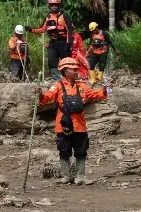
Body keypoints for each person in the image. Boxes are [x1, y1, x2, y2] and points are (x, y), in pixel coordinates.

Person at [36, 57, 110, 185]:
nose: (77, 72)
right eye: (74, 69)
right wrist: (40, 94)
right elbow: (47, 97)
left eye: (77, 69)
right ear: (65, 72)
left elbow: (95, 95)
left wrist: (106, 89)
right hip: (64, 125)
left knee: (81, 151)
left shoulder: (82, 86)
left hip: (80, 125)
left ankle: (80, 176)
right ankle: (66, 176)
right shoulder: (57, 85)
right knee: (64, 150)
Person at [28, 0, 74, 80]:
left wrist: (68, 43)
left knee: (66, 62)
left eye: (56, 5)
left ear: (58, 5)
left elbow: (70, 30)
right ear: (49, 6)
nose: (54, 7)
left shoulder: (64, 16)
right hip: (53, 43)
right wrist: (31, 30)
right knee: (52, 61)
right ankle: (57, 80)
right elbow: (42, 29)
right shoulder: (48, 17)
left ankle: (68, 79)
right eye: (52, 5)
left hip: (64, 42)